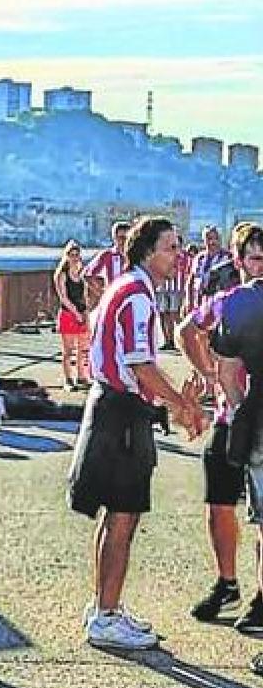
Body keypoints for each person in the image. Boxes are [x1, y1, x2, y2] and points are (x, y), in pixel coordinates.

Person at [68, 215, 208, 650]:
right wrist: (182, 404)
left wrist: (173, 401)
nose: (179, 254)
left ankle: (104, 607)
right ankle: (106, 616)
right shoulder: (138, 298)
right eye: (171, 247)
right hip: (123, 413)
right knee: (124, 516)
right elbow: (141, 367)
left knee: (116, 515)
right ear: (147, 251)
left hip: (112, 406)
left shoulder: (123, 287)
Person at [179, 223, 263, 636]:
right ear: (239, 261)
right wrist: (208, 374)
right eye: (255, 258)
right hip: (233, 418)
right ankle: (228, 584)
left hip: (256, 419)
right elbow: (186, 330)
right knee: (220, 502)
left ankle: (262, 598)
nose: (262, 266)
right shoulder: (227, 302)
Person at [53, 240, 91, 391]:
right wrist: (75, 312)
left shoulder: (80, 273)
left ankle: (82, 377)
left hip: (82, 313)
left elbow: (85, 295)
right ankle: (68, 379)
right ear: (66, 256)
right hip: (69, 314)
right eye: (71, 255)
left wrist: (86, 314)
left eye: (77, 255)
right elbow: (63, 297)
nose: (74, 258)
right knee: (68, 350)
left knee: (83, 350)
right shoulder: (62, 274)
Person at [85, 220, 130, 311]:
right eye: (120, 238)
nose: (123, 241)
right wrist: (102, 293)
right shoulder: (108, 255)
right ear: (114, 238)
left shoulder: (135, 256)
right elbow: (87, 275)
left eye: (126, 238)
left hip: (131, 300)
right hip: (113, 301)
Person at [155, 236, 191, 350]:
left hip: (177, 288)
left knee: (175, 314)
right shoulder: (163, 254)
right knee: (163, 314)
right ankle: (168, 340)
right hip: (162, 288)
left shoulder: (185, 257)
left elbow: (188, 272)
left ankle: (183, 340)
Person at [188, 225, 232, 312]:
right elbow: (191, 281)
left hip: (220, 305)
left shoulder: (228, 257)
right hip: (199, 303)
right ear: (204, 241)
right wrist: (189, 302)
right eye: (209, 238)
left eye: (216, 238)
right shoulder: (199, 258)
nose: (212, 242)